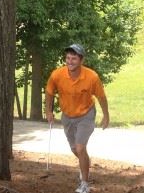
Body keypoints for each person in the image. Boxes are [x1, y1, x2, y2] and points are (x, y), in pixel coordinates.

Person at [45, 43, 110, 193]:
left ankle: (85, 184)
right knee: (76, 149)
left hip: (86, 115)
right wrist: (48, 111)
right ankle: (85, 163)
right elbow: (49, 92)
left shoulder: (92, 77)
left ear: (81, 60)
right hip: (67, 116)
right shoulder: (57, 75)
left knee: (80, 147)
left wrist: (106, 116)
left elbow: (101, 97)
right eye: (68, 58)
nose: (70, 61)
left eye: (74, 59)